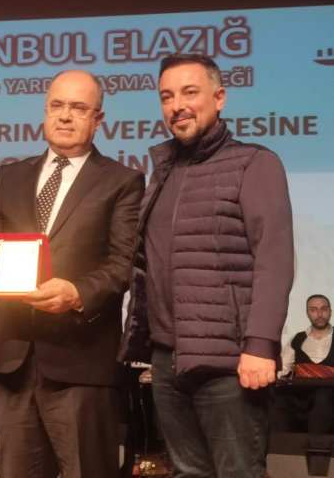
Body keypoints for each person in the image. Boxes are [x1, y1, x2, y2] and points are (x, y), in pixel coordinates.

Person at [119, 53, 294, 477]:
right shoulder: (162, 172)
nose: (177, 105)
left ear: (219, 98)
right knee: (186, 473)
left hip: (230, 363)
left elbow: (274, 259)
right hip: (168, 360)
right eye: (166, 96)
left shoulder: (254, 162)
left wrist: (260, 345)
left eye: (189, 92)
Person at [0, 69, 145, 478]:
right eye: (57, 105)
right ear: (45, 111)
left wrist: (77, 293)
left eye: (79, 108)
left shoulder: (122, 181)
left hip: (80, 358)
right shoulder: (12, 175)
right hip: (12, 355)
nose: (65, 116)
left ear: (98, 119)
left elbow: (125, 262)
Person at [271, 294, 334, 434]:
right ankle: (282, 444)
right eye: (313, 309)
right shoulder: (296, 338)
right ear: (307, 313)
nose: (319, 314)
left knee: (322, 397)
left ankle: (316, 444)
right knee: (275, 398)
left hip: (330, 396)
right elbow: (283, 368)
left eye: (324, 309)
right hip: (302, 395)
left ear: (330, 311)